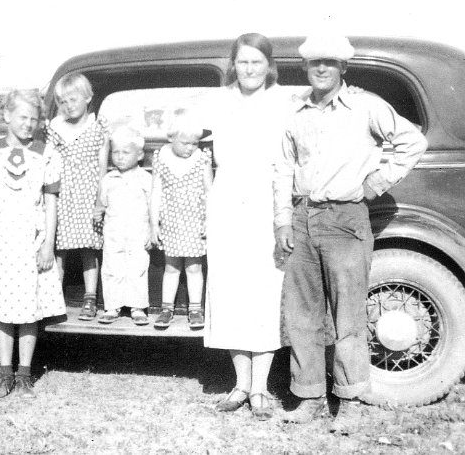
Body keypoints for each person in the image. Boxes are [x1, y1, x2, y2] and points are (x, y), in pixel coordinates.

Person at [275, 33, 428, 430]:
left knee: (348, 316)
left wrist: (375, 184)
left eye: (329, 62)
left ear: (343, 67)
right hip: (303, 218)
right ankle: (308, 396)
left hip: (346, 220)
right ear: (306, 68)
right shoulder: (296, 113)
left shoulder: (365, 106)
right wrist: (282, 220)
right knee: (302, 315)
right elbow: (284, 168)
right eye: (314, 63)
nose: (321, 68)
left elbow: (413, 140)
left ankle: (351, 398)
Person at [204, 33, 290, 419]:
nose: (250, 69)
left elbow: (288, 158)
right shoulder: (219, 100)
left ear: (268, 65)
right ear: (233, 65)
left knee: (265, 289)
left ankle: (260, 388)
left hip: (266, 201)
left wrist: (280, 213)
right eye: (243, 62)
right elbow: (186, 134)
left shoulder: (283, 101)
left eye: (257, 62)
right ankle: (240, 384)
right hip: (227, 201)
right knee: (231, 288)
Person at [0, 89, 66, 400]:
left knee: (29, 309)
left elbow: (51, 203)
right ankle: (4, 374)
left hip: (33, 237)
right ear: (6, 115)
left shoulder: (47, 153)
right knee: (2, 308)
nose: (28, 124)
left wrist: (47, 245)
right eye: (22, 117)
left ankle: (24, 375)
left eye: (34, 119)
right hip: (2, 239)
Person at [45, 73, 111, 321]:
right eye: (62, 101)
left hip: (87, 193)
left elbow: (102, 165)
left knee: (88, 249)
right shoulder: (54, 128)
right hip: (61, 194)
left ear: (88, 98)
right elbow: (48, 161)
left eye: (73, 99)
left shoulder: (97, 127)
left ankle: (90, 298)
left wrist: (99, 200)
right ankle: (53, 299)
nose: (68, 106)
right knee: (58, 248)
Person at [150, 109, 212, 329]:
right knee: (172, 267)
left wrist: (208, 220)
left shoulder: (202, 157)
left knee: (194, 267)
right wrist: (153, 224)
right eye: (185, 142)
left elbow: (208, 191)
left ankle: (195, 309)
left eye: (194, 143)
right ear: (171, 138)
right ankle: (167, 308)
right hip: (171, 221)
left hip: (195, 221)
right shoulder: (160, 157)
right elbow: (155, 192)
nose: (190, 148)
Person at [92, 126, 152, 325]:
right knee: (112, 268)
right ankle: (112, 306)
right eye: (116, 152)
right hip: (114, 233)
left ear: (140, 154)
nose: (120, 157)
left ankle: (137, 306)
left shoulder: (145, 178)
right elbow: (102, 204)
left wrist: (152, 230)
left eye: (126, 152)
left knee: (137, 268)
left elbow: (153, 207)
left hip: (138, 232)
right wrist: (97, 214)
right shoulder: (108, 179)